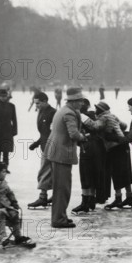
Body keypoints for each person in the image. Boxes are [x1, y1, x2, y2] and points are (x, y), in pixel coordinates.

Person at [44, 87, 89, 228]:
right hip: (61, 154)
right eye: (80, 101)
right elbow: (74, 134)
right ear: (74, 101)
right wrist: (84, 137)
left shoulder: (64, 110)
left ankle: (60, 216)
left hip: (57, 153)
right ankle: (58, 220)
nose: (82, 103)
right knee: (62, 188)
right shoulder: (69, 113)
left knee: (62, 188)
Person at [90, 101, 132, 212]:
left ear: (100, 110)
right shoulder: (112, 116)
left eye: (96, 109)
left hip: (114, 148)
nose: (95, 111)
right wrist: (116, 127)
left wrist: (84, 119)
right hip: (124, 145)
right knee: (125, 172)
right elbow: (124, 125)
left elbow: (95, 127)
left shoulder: (103, 118)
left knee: (116, 173)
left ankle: (118, 198)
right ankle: (129, 197)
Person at [27, 92, 56, 209]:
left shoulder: (53, 113)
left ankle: (43, 197)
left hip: (51, 147)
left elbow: (53, 132)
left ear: (45, 101)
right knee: (50, 171)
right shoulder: (41, 111)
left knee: (44, 171)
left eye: (38, 103)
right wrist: (37, 143)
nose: (36, 106)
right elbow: (44, 132)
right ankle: (54, 195)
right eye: (35, 103)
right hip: (45, 146)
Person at [0, 89, 17, 167]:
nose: (3, 98)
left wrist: (14, 131)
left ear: (7, 96)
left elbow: (14, 119)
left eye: (5, 96)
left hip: (7, 131)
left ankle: (5, 167)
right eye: (1, 96)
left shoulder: (12, 106)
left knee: (6, 151)